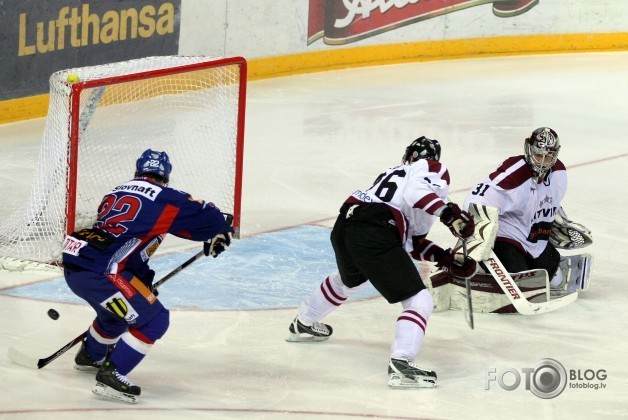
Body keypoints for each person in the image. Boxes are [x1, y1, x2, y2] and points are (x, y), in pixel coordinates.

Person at [286, 136, 476, 389]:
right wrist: (448, 213)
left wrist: (444, 258)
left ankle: (303, 323)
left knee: (349, 280)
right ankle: (402, 365)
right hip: (375, 229)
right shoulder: (431, 168)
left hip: (346, 223)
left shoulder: (391, 172)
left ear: (408, 155)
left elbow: (412, 243)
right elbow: (416, 194)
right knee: (419, 300)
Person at [62, 149, 234, 403]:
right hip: (103, 273)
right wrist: (221, 227)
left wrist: (143, 285)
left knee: (118, 315)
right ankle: (113, 376)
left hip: (77, 266)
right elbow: (210, 216)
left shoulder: (114, 193)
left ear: (138, 171)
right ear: (165, 177)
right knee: (155, 320)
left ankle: (91, 355)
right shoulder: (166, 197)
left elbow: (129, 249)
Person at [463, 127, 585, 292]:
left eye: (547, 157)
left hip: (533, 240)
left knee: (553, 275)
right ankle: (481, 268)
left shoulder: (559, 174)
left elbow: (548, 201)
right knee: (520, 279)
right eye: (538, 155)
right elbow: (476, 199)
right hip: (505, 236)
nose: (542, 162)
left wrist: (558, 218)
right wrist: (479, 232)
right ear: (529, 149)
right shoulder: (515, 174)